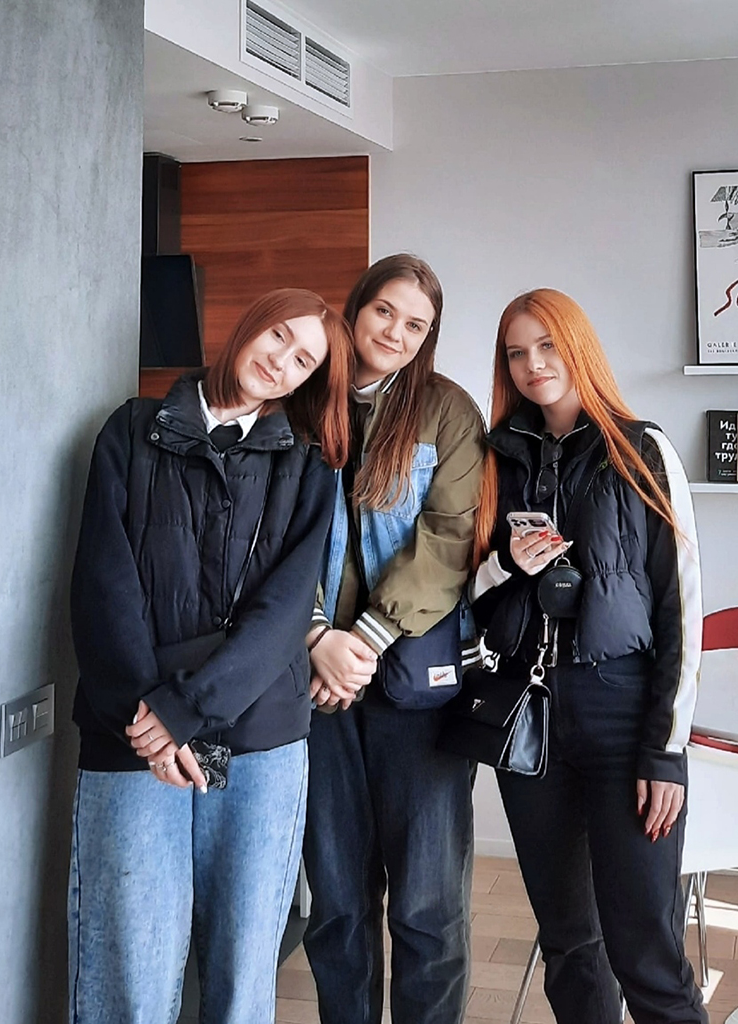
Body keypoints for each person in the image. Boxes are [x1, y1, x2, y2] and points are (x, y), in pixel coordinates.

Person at [67, 288, 351, 1024]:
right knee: (128, 971)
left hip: (259, 739)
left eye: (304, 360)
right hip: (133, 735)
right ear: (249, 324)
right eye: (279, 336)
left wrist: (188, 708)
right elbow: (103, 584)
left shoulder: (308, 463)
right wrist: (152, 719)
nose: (282, 361)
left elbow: (285, 611)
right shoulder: (131, 430)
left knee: (241, 975)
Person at [471, 288, 706, 1024]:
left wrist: (665, 752)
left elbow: (682, 604)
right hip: (530, 718)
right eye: (517, 352)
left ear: (578, 347)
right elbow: (463, 592)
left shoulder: (642, 449)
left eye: (547, 345)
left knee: (647, 951)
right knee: (570, 944)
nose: (534, 364)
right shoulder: (495, 458)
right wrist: (506, 565)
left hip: (622, 716)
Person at [301, 254, 485, 1024]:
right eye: (385, 312)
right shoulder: (302, 400)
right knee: (338, 903)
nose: (396, 333)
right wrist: (316, 635)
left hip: (414, 685)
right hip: (316, 688)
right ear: (355, 308)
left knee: (427, 906)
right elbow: (270, 537)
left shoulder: (447, 411)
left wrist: (365, 639)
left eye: (416, 324)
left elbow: (447, 540)